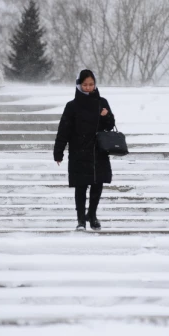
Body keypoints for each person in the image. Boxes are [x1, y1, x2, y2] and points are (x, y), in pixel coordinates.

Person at [53, 69, 115, 231]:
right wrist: (58, 152)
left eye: (91, 84)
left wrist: (106, 116)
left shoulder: (102, 102)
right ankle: (81, 219)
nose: (88, 87)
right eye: (85, 84)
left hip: (98, 152)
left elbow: (110, 126)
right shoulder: (72, 106)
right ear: (79, 85)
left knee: (97, 185)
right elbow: (63, 130)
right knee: (80, 186)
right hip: (79, 151)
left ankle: (92, 216)